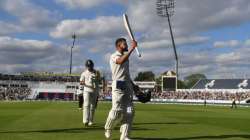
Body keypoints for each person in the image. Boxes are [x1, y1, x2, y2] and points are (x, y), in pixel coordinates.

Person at [104, 38, 138, 140]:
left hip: (127, 85)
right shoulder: (114, 56)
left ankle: (125, 136)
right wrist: (132, 48)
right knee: (116, 111)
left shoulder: (126, 58)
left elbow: (126, 74)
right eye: (125, 44)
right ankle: (108, 128)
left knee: (129, 111)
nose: (126, 45)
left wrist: (133, 85)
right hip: (119, 84)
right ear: (119, 45)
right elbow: (120, 61)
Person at [80, 59, 100, 126]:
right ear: (86, 66)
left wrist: (97, 77)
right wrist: (87, 85)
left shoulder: (97, 72)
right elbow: (81, 82)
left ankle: (91, 120)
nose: (89, 67)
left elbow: (99, 80)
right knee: (86, 105)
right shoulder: (84, 73)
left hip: (95, 90)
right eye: (88, 66)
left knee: (92, 106)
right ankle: (85, 120)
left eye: (90, 66)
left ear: (92, 65)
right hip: (87, 90)